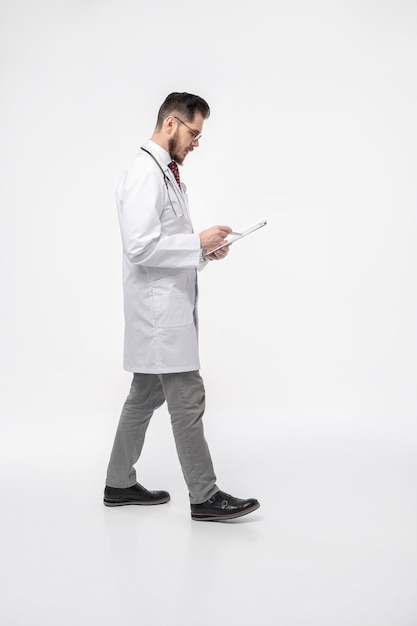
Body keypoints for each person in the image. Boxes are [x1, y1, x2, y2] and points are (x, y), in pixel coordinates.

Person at [104, 92, 260, 521]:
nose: (196, 142)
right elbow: (139, 247)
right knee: (187, 398)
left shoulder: (166, 174)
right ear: (170, 124)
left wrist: (205, 252)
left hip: (165, 311)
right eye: (194, 132)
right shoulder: (144, 173)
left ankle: (118, 484)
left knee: (144, 394)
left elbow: (162, 245)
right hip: (158, 317)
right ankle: (204, 496)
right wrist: (196, 243)